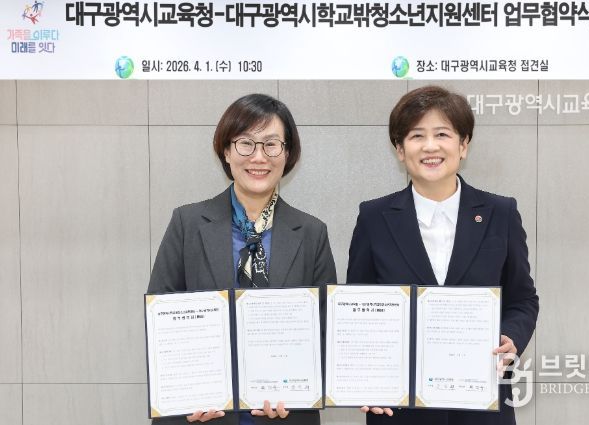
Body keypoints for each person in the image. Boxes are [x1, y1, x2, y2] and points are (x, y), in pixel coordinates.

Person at [347, 86, 539, 425]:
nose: (430, 146)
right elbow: (357, 309)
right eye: (416, 136)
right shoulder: (374, 217)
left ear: (463, 145)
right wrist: (366, 377)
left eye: (442, 134)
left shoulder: (501, 213)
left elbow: (522, 299)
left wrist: (511, 336)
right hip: (400, 409)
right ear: (400, 149)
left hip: (482, 406)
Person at [148, 93, 337, 425]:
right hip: (201, 415)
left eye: (271, 144)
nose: (258, 157)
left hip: (284, 413)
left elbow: (326, 330)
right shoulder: (187, 224)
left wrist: (298, 392)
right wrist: (185, 392)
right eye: (246, 144)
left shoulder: (311, 232)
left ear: (287, 153)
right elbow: (162, 322)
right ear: (226, 150)